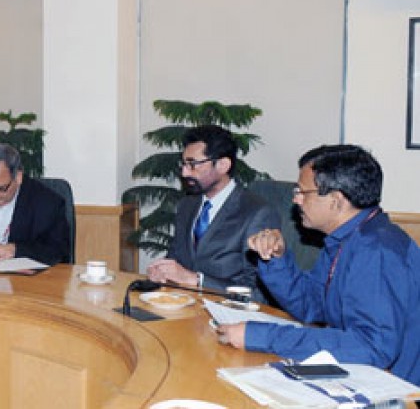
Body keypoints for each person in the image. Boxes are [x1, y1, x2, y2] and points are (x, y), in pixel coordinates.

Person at [218, 144, 420, 386]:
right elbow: (312, 305)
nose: (296, 199)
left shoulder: (377, 250)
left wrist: (263, 337)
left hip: (398, 390)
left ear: (336, 200)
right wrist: (276, 259)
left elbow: (371, 347)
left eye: (303, 192)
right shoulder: (346, 238)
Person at [146, 125, 280, 303]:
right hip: (183, 306)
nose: (184, 172)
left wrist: (197, 280)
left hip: (229, 313)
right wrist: (162, 272)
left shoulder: (257, 212)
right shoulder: (187, 205)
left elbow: (259, 292)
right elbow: (176, 259)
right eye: (184, 164)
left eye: (193, 165)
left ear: (223, 165)